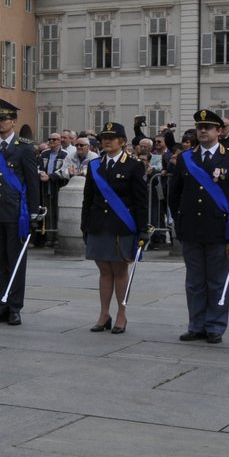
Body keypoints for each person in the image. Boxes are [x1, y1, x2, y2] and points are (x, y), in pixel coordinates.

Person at [167, 108, 229, 343]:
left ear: (219, 131)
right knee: (194, 282)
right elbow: (174, 194)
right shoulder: (185, 159)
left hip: (219, 229)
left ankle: (214, 325)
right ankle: (196, 324)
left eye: (208, 127)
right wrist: (179, 220)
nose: (203, 131)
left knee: (217, 281)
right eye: (199, 127)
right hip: (191, 228)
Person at [0, 100, 39, 325]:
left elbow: (33, 183)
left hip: (16, 213)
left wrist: (32, 214)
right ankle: (0, 305)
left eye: (3, 119)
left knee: (16, 261)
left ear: (14, 122)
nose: (0, 123)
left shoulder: (24, 148)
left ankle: (14, 306)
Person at [81, 121, 148, 333]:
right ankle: (103, 313)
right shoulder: (95, 165)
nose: (107, 141)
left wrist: (142, 229)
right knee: (103, 270)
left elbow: (140, 201)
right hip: (99, 225)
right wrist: (85, 226)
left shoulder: (134, 165)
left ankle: (121, 313)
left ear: (123, 141)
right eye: (104, 138)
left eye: (112, 137)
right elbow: (88, 199)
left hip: (122, 226)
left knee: (119, 270)